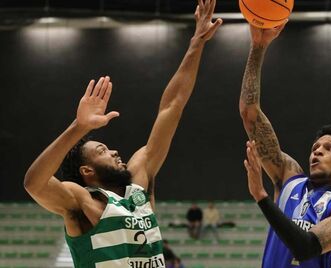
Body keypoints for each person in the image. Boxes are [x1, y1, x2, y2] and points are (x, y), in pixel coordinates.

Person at [23, 1, 222, 266]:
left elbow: (172, 107)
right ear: (87, 171)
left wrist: (196, 44)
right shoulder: (82, 200)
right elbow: (34, 184)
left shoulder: (139, 180)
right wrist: (79, 127)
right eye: (101, 151)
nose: (115, 151)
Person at [240, 23, 331, 268]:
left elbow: (305, 247)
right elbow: (249, 113)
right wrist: (258, 47)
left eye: (329, 148)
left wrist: (262, 197)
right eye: (315, 147)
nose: (317, 150)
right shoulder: (290, 177)